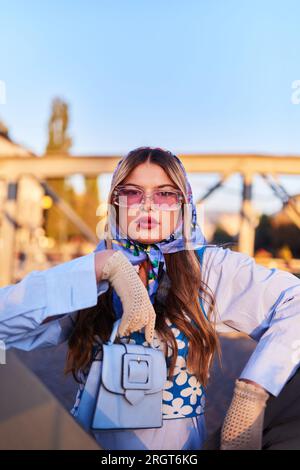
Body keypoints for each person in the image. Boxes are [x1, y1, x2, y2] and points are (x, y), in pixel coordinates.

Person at [1, 146, 300, 450]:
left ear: (184, 204)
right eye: (131, 193)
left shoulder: (207, 268)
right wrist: (105, 267)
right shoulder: (91, 271)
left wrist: (254, 390)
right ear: (115, 203)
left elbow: (295, 301)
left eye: (165, 194)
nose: (147, 206)